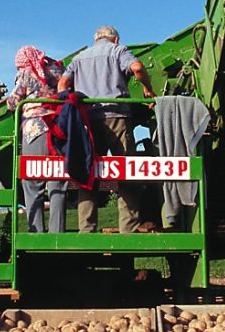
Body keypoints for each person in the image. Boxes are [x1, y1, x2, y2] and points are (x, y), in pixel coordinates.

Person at [57, 25, 155, 233]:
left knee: (88, 172)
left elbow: (63, 83)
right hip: (117, 116)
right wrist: (148, 89)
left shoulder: (80, 57)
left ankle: (86, 229)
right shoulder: (118, 51)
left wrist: (69, 105)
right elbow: (137, 68)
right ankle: (128, 228)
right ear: (115, 39)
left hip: (89, 120)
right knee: (126, 171)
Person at [7, 45, 68, 233]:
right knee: (57, 180)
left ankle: (36, 232)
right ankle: (57, 232)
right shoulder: (58, 70)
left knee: (33, 180)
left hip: (35, 131)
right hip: (58, 128)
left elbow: (13, 102)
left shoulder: (26, 73)